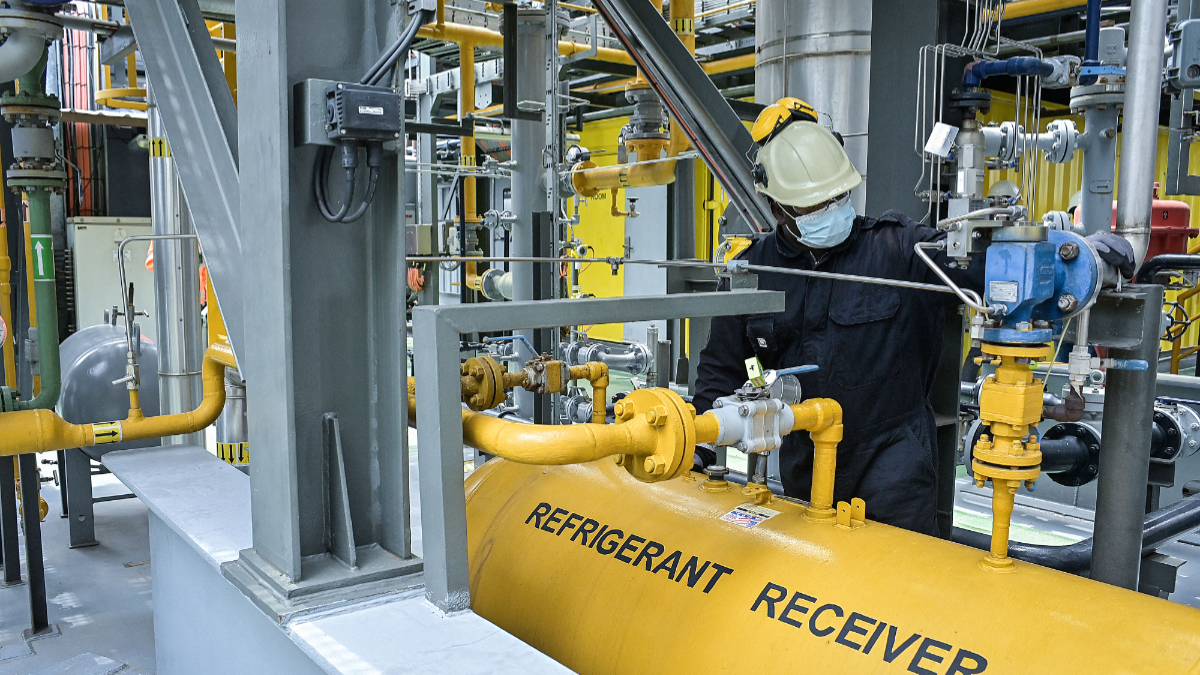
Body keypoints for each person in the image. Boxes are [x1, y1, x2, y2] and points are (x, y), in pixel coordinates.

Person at [693, 98, 1134, 535]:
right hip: (804, 467)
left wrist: (1075, 254)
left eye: (838, 196)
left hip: (894, 469)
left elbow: (995, 269)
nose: (830, 210)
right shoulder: (751, 272)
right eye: (814, 206)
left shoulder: (902, 251)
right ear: (777, 207)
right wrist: (695, 447)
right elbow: (720, 372)